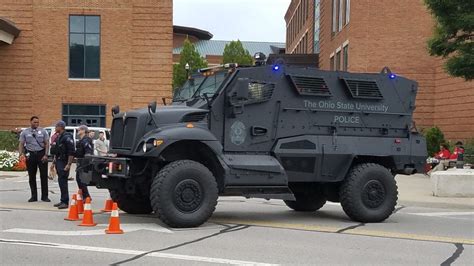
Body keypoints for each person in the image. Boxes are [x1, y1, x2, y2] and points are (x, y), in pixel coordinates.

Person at [18, 116, 50, 202]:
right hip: (30, 154)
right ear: (30, 122)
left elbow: (47, 143)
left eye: (37, 122)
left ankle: (45, 196)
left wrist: (46, 155)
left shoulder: (43, 131)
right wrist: (21, 154)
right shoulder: (25, 132)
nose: (36, 124)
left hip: (41, 154)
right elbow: (21, 143)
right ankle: (34, 196)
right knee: (31, 176)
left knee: (43, 176)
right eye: (35, 122)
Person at [53, 121, 75, 209]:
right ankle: (62, 200)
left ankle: (65, 202)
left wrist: (69, 164)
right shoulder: (59, 137)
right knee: (61, 181)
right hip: (59, 161)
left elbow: (71, 152)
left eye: (56, 126)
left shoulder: (67, 137)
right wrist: (54, 161)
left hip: (64, 161)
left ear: (61, 127)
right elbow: (57, 151)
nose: (55, 128)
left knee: (63, 181)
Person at [75, 125, 93, 200]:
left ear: (83, 131)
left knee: (81, 180)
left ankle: (86, 196)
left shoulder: (86, 140)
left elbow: (88, 152)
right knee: (79, 179)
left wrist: (84, 164)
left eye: (79, 130)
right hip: (80, 162)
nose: (78, 131)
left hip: (84, 163)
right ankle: (85, 195)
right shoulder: (81, 140)